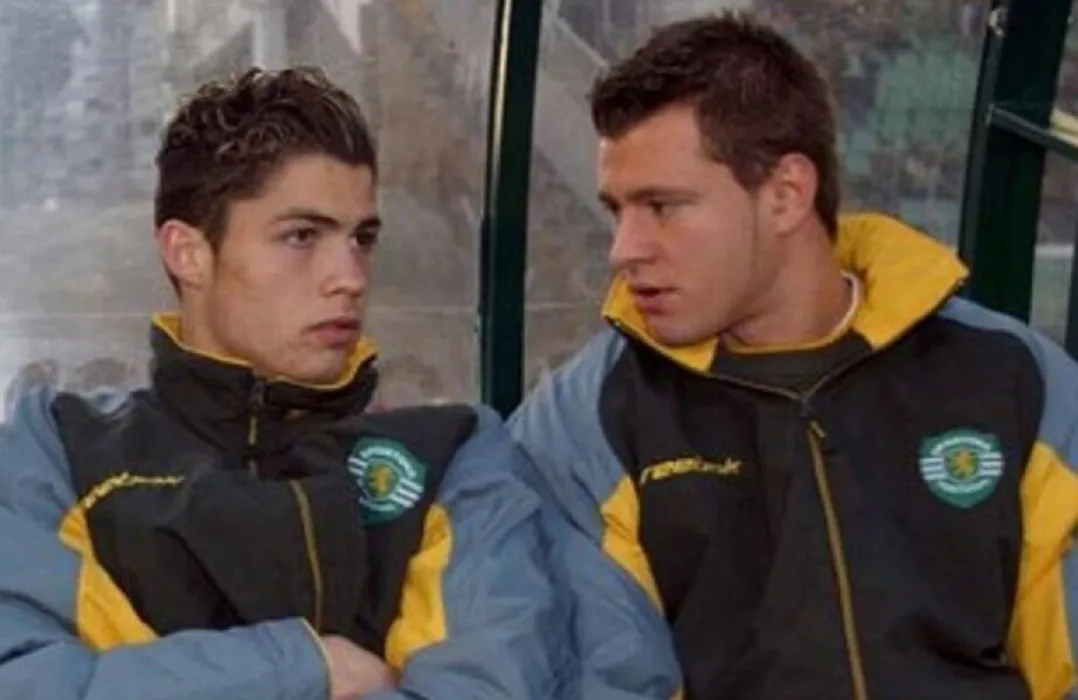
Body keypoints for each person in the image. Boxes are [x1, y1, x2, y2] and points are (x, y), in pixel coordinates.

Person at [509, 11, 1078, 700]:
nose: (624, 249)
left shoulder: (1013, 380)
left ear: (785, 196)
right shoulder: (587, 424)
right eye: (617, 210)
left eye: (663, 206)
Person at [0, 66, 569, 700]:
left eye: (362, 239)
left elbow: (488, 686)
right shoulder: (59, 451)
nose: (350, 277)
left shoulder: (451, 454)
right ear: (187, 253)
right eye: (302, 236)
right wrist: (305, 664)